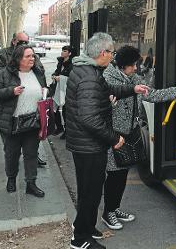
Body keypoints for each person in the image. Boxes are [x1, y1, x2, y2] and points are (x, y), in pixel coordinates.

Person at [65, 33, 149, 249]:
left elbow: (109, 91)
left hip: (85, 144)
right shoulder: (89, 77)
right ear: (103, 53)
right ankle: (80, 239)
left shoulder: (87, 70)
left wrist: (132, 88)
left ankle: (85, 226)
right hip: (89, 146)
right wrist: (114, 138)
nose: (113, 57)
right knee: (90, 192)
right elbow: (89, 118)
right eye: (111, 52)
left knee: (89, 191)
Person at [101, 46, 176, 231]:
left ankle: (115, 208)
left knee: (122, 175)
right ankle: (108, 213)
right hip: (113, 135)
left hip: (130, 133)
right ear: (123, 66)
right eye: (133, 65)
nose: (136, 68)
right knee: (114, 176)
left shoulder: (135, 79)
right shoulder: (107, 79)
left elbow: (152, 94)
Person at [0, 45, 47, 198]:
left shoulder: (38, 73)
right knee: (11, 154)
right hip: (11, 123)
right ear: (18, 59)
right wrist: (11, 91)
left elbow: (46, 91)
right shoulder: (4, 74)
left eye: (33, 56)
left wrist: (46, 93)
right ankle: (11, 179)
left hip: (33, 122)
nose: (32, 59)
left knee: (31, 154)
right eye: (28, 56)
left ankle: (31, 184)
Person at [0, 31, 47, 166]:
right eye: (21, 42)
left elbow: (40, 70)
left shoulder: (32, 54)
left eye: (26, 42)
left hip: (29, 109)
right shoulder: (3, 54)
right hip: (9, 111)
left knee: (31, 144)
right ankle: (12, 171)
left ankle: (35, 157)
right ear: (14, 41)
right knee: (11, 149)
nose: (24, 44)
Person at [51, 45, 74, 138]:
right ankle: (59, 127)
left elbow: (71, 76)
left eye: (65, 51)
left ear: (69, 53)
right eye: (62, 50)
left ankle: (66, 131)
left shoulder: (72, 64)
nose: (62, 52)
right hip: (57, 88)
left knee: (65, 111)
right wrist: (54, 75)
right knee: (54, 108)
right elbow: (56, 71)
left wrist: (60, 77)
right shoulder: (60, 62)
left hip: (66, 89)